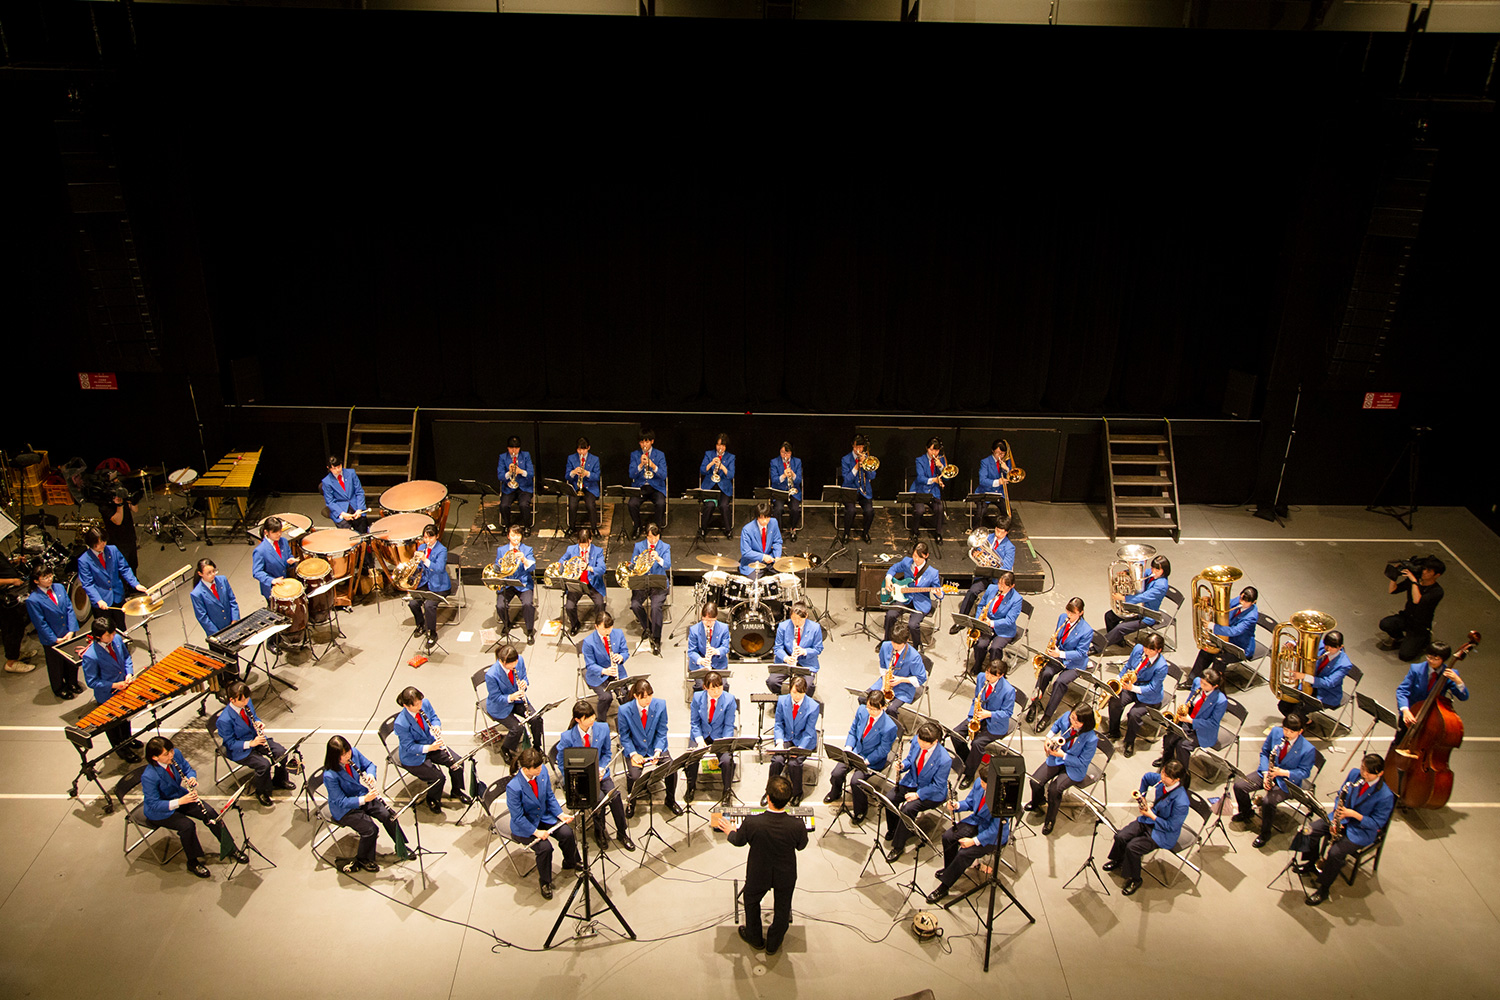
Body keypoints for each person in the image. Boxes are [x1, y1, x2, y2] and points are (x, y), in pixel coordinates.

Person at [711, 775, 809, 956]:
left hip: (759, 872)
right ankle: (774, 943)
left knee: (751, 901)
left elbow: (738, 841)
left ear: (768, 798)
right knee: (783, 907)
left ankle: (755, 937)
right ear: (788, 800)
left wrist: (730, 831)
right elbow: (801, 846)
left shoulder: (753, 822)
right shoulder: (797, 825)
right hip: (785, 874)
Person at [1295, 753, 1396, 907]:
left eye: (1369, 773)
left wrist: (1354, 815)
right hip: (1342, 817)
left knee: (1335, 853)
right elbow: (1340, 794)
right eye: (1363, 768)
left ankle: (1324, 889)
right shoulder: (1355, 774)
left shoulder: (1385, 795)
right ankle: (1311, 861)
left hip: (1361, 829)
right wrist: (1338, 812)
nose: (1364, 774)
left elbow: (1377, 823)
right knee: (1310, 830)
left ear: (1380, 774)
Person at [140, 736, 245, 878]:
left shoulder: (175, 754)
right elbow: (154, 803)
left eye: (171, 751)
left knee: (210, 813)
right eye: (166, 754)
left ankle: (230, 847)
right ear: (154, 757)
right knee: (187, 826)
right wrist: (180, 802)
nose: (171, 755)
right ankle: (193, 862)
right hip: (160, 810)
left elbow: (188, 769)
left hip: (179, 796)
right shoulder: (149, 776)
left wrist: (192, 777)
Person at [554, 700, 635, 851]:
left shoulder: (602, 728)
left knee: (615, 796)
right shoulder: (567, 737)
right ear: (578, 720)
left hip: (601, 774)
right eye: (588, 717)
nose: (592, 719)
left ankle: (622, 832)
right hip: (582, 779)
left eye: (592, 715)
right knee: (598, 800)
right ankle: (600, 831)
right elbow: (561, 762)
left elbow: (606, 753)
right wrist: (576, 777)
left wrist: (602, 768)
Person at [322, 735, 410, 874]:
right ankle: (364, 858)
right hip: (345, 809)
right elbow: (340, 801)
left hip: (362, 796)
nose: (348, 756)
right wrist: (364, 799)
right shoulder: (330, 775)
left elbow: (369, 765)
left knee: (388, 815)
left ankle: (401, 846)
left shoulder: (353, 753)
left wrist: (371, 775)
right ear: (335, 757)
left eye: (348, 752)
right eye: (343, 755)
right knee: (370, 829)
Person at [925, 767, 1010, 905]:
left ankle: (944, 886)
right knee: (948, 837)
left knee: (964, 853)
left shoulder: (1001, 799)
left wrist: (973, 841)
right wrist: (957, 805)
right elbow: (970, 803)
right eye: (981, 781)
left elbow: (994, 830)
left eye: (985, 783)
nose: (981, 785)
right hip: (977, 821)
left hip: (991, 836)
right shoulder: (979, 783)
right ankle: (950, 869)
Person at [1104, 760, 1189, 896]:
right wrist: (1142, 795)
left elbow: (1171, 827)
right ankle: (1118, 859)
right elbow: (1147, 777)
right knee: (1121, 836)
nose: (1162, 776)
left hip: (1162, 832)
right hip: (1149, 819)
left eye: (1166, 776)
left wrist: (1152, 815)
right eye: (1162, 772)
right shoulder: (1162, 781)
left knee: (1133, 847)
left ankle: (1135, 879)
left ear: (1176, 780)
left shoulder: (1181, 802)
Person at [1232, 712, 1316, 848]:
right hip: (1269, 772)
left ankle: (1265, 833)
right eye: (1285, 729)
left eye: (1291, 731)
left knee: (1268, 802)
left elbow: (1304, 772)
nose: (1287, 734)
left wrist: (1283, 772)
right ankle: (1246, 812)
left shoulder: (1308, 749)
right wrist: (1266, 774)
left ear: (1300, 731)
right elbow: (1265, 752)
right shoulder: (1276, 732)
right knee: (1240, 786)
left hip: (1287, 781)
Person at [507, 747, 579, 899]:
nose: (541, 769)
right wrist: (536, 832)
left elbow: (549, 796)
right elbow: (518, 817)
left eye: (541, 765)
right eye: (537, 767)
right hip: (526, 825)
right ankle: (545, 881)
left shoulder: (543, 772)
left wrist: (560, 814)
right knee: (545, 848)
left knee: (567, 833)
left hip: (544, 816)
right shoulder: (513, 787)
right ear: (526, 769)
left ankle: (571, 861)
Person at [823, 689, 899, 822]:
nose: (870, 711)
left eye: (874, 709)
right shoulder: (862, 710)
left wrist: (867, 761)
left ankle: (861, 809)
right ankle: (835, 792)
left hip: (872, 759)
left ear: (883, 707)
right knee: (836, 773)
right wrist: (848, 747)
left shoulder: (889, 727)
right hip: (855, 751)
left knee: (856, 782)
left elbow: (883, 750)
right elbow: (853, 731)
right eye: (869, 707)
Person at [216, 681, 295, 806]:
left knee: (281, 753)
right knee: (264, 765)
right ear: (232, 700)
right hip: (240, 749)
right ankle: (262, 791)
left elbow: (254, 717)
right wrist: (251, 744)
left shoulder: (247, 702)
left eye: (247, 698)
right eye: (242, 700)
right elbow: (230, 744)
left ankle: (280, 780)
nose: (246, 702)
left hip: (256, 738)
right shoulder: (224, 720)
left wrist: (258, 722)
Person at [1024, 705, 1099, 836]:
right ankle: (1038, 801)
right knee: (1035, 781)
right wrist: (1048, 737)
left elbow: (1082, 762)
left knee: (1054, 790)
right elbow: (1057, 724)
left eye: (1077, 721)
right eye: (1072, 718)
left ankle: (1050, 820)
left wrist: (1063, 756)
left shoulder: (1091, 739)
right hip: (1058, 757)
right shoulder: (1067, 717)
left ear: (1085, 722)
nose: (1072, 723)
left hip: (1074, 767)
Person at [394, 686, 470, 813]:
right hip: (413, 756)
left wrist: (436, 727)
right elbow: (408, 746)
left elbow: (434, 717)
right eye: (416, 705)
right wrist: (429, 748)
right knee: (438, 778)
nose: (420, 706)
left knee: (457, 762)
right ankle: (432, 799)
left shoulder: (425, 704)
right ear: (407, 706)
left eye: (420, 702)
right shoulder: (401, 723)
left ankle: (457, 791)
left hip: (431, 743)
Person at [883, 721, 952, 862]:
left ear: (935, 742)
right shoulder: (917, 740)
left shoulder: (944, 760)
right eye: (920, 739)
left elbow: (938, 786)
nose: (921, 743)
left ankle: (898, 846)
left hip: (930, 792)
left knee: (908, 809)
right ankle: (894, 828)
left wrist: (918, 795)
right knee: (890, 798)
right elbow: (910, 760)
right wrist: (902, 766)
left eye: (925, 742)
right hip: (913, 781)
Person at [618, 679, 684, 818]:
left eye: (649, 695)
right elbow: (624, 737)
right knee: (634, 776)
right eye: (643, 697)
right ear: (635, 696)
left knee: (671, 768)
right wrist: (634, 754)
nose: (647, 700)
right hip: (636, 750)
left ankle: (670, 800)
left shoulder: (660, 705)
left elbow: (662, 731)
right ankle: (631, 802)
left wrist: (658, 751)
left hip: (656, 747)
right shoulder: (624, 710)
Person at [1024, 598, 1093, 729]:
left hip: (1074, 663)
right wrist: (1053, 648)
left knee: (1060, 682)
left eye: (1073, 613)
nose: (1069, 615)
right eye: (1068, 611)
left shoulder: (1086, 630)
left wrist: (1060, 654)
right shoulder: (1063, 618)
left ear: (1081, 613)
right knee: (1045, 673)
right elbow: (1058, 636)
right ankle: (1034, 704)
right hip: (1059, 654)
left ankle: (1047, 716)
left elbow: (1081, 653)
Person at [948, 656, 1014, 789]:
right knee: (955, 734)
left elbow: (1008, 713)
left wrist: (989, 714)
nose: (988, 676)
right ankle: (967, 760)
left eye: (991, 675)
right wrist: (972, 717)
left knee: (977, 744)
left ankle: (969, 773)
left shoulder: (1008, 690)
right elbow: (976, 699)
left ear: (1000, 675)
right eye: (988, 672)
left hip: (995, 723)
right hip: (978, 716)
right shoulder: (981, 677)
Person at [1392, 640, 1470, 750]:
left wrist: (1458, 681)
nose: (1431, 660)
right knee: (1398, 742)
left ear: (1443, 659)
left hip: (1431, 717)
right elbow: (1402, 691)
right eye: (1429, 657)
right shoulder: (1416, 669)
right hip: (1411, 713)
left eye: (1435, 659)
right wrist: (1405, 710)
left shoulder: (1450, 674)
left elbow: (1463, 697)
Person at [81, 617, 141, 761]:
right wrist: (114, 685)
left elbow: (126, 658)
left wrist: (129, 673)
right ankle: (120, 749)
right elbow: (92, 681)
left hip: (124, 688)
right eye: (109, 635)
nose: (113, 636)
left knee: (125, 718)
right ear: (98, 636)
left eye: (113, 633)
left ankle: (128, 739)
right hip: (108, 694)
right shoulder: (90, 656)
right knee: (113, 725)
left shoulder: (118, 640)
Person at [1103, 633, 1172, 757]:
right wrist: (1118, 679)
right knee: (1115, 701)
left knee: (1134, 714)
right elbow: (1128, 666)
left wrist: (1133, 688)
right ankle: (1114, 731)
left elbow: (1153, 687)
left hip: (1148, 695)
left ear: (1159, 650)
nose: (1146, 651)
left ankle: (1129, 742)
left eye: (1151, 650)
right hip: (1131, 686)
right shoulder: (1138, 649)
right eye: (1145, 647)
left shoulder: (1162, 666)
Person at [77, 525, 148, 633]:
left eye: (103, 541)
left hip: (117, 595)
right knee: (106, 631)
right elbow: (88, 584)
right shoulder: (84, 560)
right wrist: (98, 600)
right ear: (91, 544)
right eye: (98, 544)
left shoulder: (112, 550)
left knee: (121, 626)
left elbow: (124, 568)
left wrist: (135, 584)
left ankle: (123, 646)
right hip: (101, 601)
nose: (102, 545)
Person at [1156, 667, 1226, 776]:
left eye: (1205, 685)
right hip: (1187, 720)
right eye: (1202, 682)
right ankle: (1167, 762)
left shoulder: (1220, 700)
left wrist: (1191, 720)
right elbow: (1190, 700)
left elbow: (1213, 723)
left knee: (1182, 745)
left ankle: (1182, 774)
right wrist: (1183, 714)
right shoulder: (1197, 682)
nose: (1202, 686)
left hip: (1202, 730)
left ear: (1215, 686)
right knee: (1170, 738)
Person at [24, 567, 82, 697]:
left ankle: (72, 682)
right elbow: (40, 623)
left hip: (68, 632)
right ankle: (59, 688)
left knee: (72, 660)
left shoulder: (59, 587)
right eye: (45, 577)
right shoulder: (33, 600)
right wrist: (55, 639)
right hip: (53, 637)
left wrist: (72, 630)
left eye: (50, 575)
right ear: (36, 581)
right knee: (56, 665)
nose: (49, 578)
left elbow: (69, 608)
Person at [484, 644, 546, 764]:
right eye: (510, 665)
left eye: (515, 663)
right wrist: (510, 697)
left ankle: (537, 747)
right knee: (517, 728)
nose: (514, 666)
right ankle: (505, 748)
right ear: (502, 662)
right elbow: (495, 697)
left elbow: (524, 677)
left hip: (517, 699)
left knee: (536, 718)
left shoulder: (519, 661)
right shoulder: (491, 675)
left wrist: (524, 683)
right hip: (500, 706)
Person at [952, 516, 1015, 630]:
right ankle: (960, 621)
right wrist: (977, 554)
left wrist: (990, 562)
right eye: (997, 530)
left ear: (1007, 532)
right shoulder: (988, 538)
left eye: (1001, 532)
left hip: (997, 581)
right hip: (984, 576)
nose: (998, 534)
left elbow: (1006, 567)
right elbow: (978, 551)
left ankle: (983, 624)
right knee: (972, 591)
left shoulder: (1010, 547)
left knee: (990, 598)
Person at [686, 672, 738, 804]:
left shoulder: (729, 699)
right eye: (713, 689)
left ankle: (726, 791)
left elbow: (729, 725)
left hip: (720, 735)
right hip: (701, 734)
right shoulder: (697, 698)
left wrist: (724, 742)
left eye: (719, 687)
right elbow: (694, 723)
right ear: (705, 688)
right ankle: (691, 787)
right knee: (691, 757)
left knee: (727, 760)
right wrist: (699, 740)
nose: (716, 691)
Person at [1189, 586, 1259, 683]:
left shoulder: (1251, 617)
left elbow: (1234, 631)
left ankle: (1212, 685)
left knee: (1219, 658)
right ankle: (1192, 680)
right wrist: (1210, 601)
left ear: (1253, 602)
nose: (1242, 602)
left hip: (1239, 647)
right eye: (1241, 598)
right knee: (1206, 650)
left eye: (1246, 602)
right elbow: (1225, 606)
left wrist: (1213, 626)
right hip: (1225, 640)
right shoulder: (1238, 600)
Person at [1380, 556, 1445, 660]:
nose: (1424, 572)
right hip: (1407, 618)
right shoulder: (1414, 581)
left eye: (1429, 571)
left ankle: (1423, 640)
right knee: (1385, 623)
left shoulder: (1437, 592)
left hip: (1420, 625)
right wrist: (1394, 576)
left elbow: (1417, 601)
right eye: (1424, 569)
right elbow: (1392, 590)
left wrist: (1414, 581)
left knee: (1405, 656)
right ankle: (1400, 638)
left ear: (1437, 575)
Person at [190, 559, 242, 683]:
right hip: (216, 633)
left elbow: (232, 601)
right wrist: (217, 635)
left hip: (231, 627)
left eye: (214, 571)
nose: (213, 575)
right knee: (218, 660)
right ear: (200, 574)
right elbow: (202, 617)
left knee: (233, 656)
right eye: (208, 573)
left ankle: (235, 679)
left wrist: (235, 620)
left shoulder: (222, 580)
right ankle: (222, 683)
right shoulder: (196, 593)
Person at [882, 541, 942, 648]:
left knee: (913, 625)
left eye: (920, 557)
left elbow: (939, 594)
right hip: (905, 597)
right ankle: (886, 641)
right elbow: (894, 568)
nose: (916, 559)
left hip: (921, 602)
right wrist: (888, 579)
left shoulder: (933, 573)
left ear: (926, 556)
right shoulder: (907, 562)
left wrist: (939, 593)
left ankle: (917, 647)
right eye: (914, 555)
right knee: (890, 615)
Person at [769, 677, 819, 805]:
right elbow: (779, 724)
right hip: (786, 737)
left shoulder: (813, 706)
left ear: (805, 692)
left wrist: (799, 749)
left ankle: (797, 793)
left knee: (794, 763)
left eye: (800, 693)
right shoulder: (782, 700)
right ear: (790, 690)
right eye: (794, 692)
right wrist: (779, 742)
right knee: (777, 760)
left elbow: (809, 732)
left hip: (803, 740)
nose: (797, 696)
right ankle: (770, 791)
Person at [1103, 555, 1170, 648]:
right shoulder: (1151, 574)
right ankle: (1117, 640)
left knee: (1120, 628)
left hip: (1147, 615)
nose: (1153, 571)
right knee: (1109, 616)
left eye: (1157, 570)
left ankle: (1098, 646)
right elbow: (1141, 573)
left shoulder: (1161, 585)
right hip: (1136, 609)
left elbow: (1143, 597)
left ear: (1164, 571)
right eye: (1153, 568)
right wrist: (1126, 573)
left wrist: (1123, 598)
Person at [1284, 629, 1353, 718]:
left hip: (1326, 694)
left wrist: (1305, 676)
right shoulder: (1322, 645)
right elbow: (1304, 643)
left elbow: (1329, 683)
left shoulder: (1344, 664)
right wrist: (1292, 644)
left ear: (1340, 647)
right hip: (1309, 685)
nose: (1328, 649)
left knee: (1297, 711)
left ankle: (1297, 727)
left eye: (1332, 647)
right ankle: (1304, 722)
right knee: (1283, 705)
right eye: (1326, 646)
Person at [628, 523, 670, 655]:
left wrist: (658, 558)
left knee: (656, 607)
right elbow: (633, 563)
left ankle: (656, 638)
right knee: (635, 605)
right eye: (650, 538)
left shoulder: (665, 547)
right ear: (646, 536)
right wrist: (631, 566)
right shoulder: (639, 546)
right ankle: (649, 628)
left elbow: (667, 564)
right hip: (642, 582)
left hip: (658, 583)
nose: (653, 541)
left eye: (655, 537)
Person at [406, 524, 449, 651]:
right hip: (425, 583)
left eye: (430, 537)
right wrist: (413, 566)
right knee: (413, 603)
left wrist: (425, 560)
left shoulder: (442, 550)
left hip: (439, 585)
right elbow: (419, 567)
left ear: (437, 536)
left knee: (429, 605)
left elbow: (439, 568)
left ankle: (432, 632)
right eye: (425, 537)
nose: (427, 541)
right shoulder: (421, 547)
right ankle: (420, 624)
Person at [967, 571, 1021, 670]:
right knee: (980, 644)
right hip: (986, 624)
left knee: (995, 648)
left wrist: (992, 623)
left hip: (1004, 630)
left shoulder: (1017, 599)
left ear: (1012, 586)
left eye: (1004, 586)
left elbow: (1010, 620)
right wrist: (979, 619)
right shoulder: (992, 588)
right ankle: (978, 665)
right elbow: (981, 605)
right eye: (1000, 583)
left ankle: (993, 671)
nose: (1000, 588)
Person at [580, 612, 629, 720]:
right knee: (606, 697)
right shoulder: (589, 642)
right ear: (596, 626)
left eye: (610, 628)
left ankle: (627, 719)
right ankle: (601, 721)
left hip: (616, 671)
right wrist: (604, 671)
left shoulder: (618, 633)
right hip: (598, 675)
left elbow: (625, 651)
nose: (607, 632)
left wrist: (621, 657)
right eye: (603, 629)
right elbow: (590, 664)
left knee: (625, 694)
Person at [493, 524, 537, 644]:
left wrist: (524, 559)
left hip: (523, 584)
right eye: (513, 535)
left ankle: (529, 631)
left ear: (521, 536)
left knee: (528, 604)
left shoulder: (527, 550)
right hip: (507, 583)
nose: (515, 538)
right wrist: (497, 568)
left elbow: (532, 567)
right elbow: (497, 564)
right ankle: (507, 624)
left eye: (518, 535)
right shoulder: (501, 550)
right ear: (508, 536)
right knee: (500, 606)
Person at [768, 600, 822, 696]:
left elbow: (818, 648)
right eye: (793, 619)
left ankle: (803, 702)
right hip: (786, 662)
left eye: (800, 619)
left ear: (806, 616)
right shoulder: (783, 626)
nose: (796, 622)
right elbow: (778, 648)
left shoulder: (815, 628)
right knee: (772, 681)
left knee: (808, 686)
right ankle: (780, 700)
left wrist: (804, 651)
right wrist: (786, 658)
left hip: (806, 664)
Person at [869, 621, 927, 709]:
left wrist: (901, 680)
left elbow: (921, 678)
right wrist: (884, 682)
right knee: (864, 698)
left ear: (907, 640)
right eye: (893, 642)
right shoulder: (885, 646)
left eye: (899, 644)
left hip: (904, 686)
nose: (895, 646)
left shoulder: (914, 657)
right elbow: (883, 666)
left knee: (891, 709)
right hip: (886, 681)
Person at [561, 527, 608, 635]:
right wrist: (564, 565)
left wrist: (589, 567)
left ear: (590, 540)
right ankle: (575, 624)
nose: (583, 547)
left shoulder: (598, 551)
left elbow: (602, 569)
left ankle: (599, 626)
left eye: (585, 544)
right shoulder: (571, 549)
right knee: (569, 606)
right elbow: (561, 561)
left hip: (593, 584)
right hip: (577, 584)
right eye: (580, 544)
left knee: (600, 604)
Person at [95, 470, 141, 572]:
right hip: (118, 542)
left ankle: (134, 586)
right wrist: (119, 505)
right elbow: (117, 521)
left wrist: (132, 499)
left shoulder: (120, 492)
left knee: (133, 564)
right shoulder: (103, 504)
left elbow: (135, 509)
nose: (117, 481)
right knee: (123, 569)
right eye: (114, 480)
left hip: (130, 536)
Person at [627, 428, 668, 538]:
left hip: (656, 487)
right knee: (632, 504)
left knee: (660, 503)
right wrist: (640, 465)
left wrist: (653, 465)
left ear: (652, 441)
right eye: (642, 442)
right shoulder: (635, 455)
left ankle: (656, 529)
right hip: (640, 486)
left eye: (647, 441)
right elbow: (631, 474)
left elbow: (664, 475)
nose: (644, 444)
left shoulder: (660, 455)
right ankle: (637, 526)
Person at [249, 517, 298, 606]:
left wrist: (290, 561)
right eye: (275, 532)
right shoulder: (260, 551)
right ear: (266, 532)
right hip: (271, 588)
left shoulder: (283, 541)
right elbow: (257, 572)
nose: (279, 534)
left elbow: (289, 555)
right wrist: (272, 580)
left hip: (285, 583)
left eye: (280, 531)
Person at [909, 437, 949, 540]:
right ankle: (915, 532)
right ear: (927, 448)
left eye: (936, 450)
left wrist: (941, 467)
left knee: (939, 508)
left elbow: (947, 478)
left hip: (933, 492)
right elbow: (920, 478)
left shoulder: (941, 460)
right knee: (919, 510)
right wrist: (934, 480)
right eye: (931, 449)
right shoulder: (920, 460)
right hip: (920, 490)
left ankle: (938, 533)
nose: (934, 452)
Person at [838, 434, 876, 544]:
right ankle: (846, 533)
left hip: (864, 491)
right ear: (852, 446)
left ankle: (866, 532)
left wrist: (865, 465)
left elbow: (872, 476)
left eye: (860, 447)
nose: (858, 450)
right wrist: (855, 468)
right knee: (851, 510)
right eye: (856, 447)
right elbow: (847, 479)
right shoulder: (845, 459)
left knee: (869, 511)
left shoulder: (867, 458)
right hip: (850, 490)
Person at [0, 550, 32, 674]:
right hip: (4, 598)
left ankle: (16, 654)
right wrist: (12, 581)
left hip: (10, 595)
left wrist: (15, 562)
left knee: (18, 626)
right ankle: (11, 662)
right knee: (11, 629)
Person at [698, 433, 736, 537]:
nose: (720, 448)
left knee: (724, 505)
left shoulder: (731, 457)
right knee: (709, 505)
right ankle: (703, 529)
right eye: (719, 445)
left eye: (723, 445)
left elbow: (731, 475)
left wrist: (722, 466)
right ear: (715, 445)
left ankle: (728, 530)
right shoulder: (709, 454)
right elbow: (702, 470)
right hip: (710, 486)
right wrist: (711, 463)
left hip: (724, 488)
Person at [687, 603, 730, 691]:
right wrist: (701, 660)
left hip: (718, 663)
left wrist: (716, 651)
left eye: (711, 620)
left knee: (723, 686)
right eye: (705, 620)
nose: (708, 623)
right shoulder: (694, 630)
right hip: (700, 665)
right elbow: (691, 651)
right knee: (700, 686)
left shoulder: (724, 628)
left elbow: (725, 648)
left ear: (716, 618)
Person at [320, 457, 369, 532]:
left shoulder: (351, 473)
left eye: (339, 467)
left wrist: (359, 509)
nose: (337, 470)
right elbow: (330, 502)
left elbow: (359, 492)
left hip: (355, 505)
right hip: (340, 508)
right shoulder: (326, 482)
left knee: (362, 527)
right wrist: (342, 514)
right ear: (329, 468)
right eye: (334, 468)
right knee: (346, 532)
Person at [497, 435, 535, 532]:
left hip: (524, 487)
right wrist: (509, 473)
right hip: (509, 487)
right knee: (504, 505)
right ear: (508, 448)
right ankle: (507, 525)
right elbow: (500, 476)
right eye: (511, 448)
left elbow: (531, 474)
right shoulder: (502, 457)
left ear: (519, 448)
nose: (514, 451)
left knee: (523, 504)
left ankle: (527, 526)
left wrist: (521, 471)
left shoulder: (526, 455)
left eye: (516, 448)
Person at [975, 438, 1017, 525]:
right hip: (985, 492)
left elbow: (1011, 477)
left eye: (1002, 454)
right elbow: (982, 480)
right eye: (997, 453)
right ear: (992, 451)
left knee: (1008, 512)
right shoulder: (985, 462)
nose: (1000, 456)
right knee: (980, 514)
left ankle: (1003, 531)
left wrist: (1007, 469)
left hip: (1000, 493)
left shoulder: (1006, 461)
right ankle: (976, 531)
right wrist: (998, 482)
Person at [565, 436, 602, 533]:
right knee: (572, 505)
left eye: (584, 449)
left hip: (590, 487)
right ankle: (571, 527)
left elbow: (597, 476)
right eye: (579, 449)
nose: (581, 452)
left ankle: (594, 528)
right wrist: (573, 472)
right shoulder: (571, 458)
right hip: (576, 487)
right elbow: (567, 476)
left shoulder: (595, 459)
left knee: (590, 504)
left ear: (588, 448)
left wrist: (587, 473)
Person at [739, 502, 782, 579]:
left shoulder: (774, 522)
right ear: (757, 517)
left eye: (767, 518)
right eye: (761, 518)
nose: (764, 521)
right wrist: (763, 557)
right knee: (754, 584)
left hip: (770, 559)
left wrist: (777, 556)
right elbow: (746, 552)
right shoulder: (747, 529)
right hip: (752, 562)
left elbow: (777, 541)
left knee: (783, 577)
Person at [769, 442, 803, 538]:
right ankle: (778, 533)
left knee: (795, 509)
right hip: (780, 491)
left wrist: (793, 474)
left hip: (793, 491)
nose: (785, 455)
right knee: (778, 509)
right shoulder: (774, 462)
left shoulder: (797, 462)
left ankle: (793, 529)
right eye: (783, 452)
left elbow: (799, 480)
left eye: (787, 453)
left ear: (791, 453)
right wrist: (783, 476)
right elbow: (774, 480)